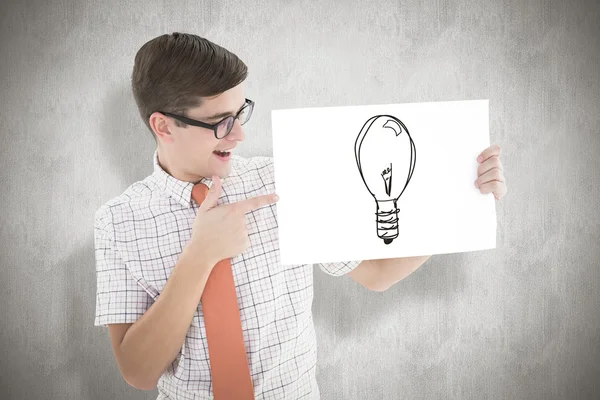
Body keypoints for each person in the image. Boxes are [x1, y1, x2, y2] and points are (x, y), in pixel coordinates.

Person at [93, 32, 508, 399]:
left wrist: (463, 194)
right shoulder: (116, 222)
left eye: (241, 113)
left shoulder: (284, 180)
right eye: (221, 122)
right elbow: (138, 372)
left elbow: (379, 274)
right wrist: (200, 255)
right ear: (163, 127)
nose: (240, 135)